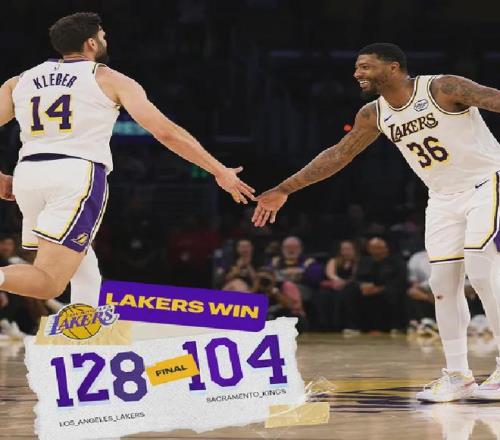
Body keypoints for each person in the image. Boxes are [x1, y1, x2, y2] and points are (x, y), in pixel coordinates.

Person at [252, 42, 500, 402]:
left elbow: (495, 99)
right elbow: (338, 154)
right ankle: (458, 375)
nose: (357, 73)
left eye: (365, 66)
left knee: (481, 268)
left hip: (486, 182)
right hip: (442, 197)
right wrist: (284, 189)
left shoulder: (442, 87)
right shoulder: (374, 114)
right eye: (357, 67)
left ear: (394, 67)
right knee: (442, 284)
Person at [0, 12, 255, 306]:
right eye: (103, 36)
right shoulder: (108, 78)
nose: (105, 41)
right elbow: (166, 132)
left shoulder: (19, 82)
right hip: (74, 174)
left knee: (81, 258)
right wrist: (218, 170)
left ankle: (85, 328)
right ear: (91, 43)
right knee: (49, 282)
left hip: (28, 175)